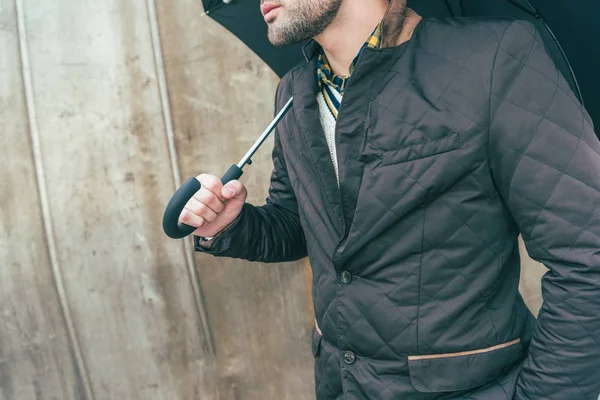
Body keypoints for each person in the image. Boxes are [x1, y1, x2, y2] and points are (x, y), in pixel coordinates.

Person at [180, 0, 600, 398]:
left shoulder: (490, 59)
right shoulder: (294, 91)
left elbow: (588, 258)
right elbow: (303, 225)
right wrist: (232, 225)